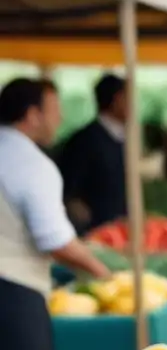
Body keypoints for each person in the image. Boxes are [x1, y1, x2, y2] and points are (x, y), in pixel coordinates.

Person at [0, 79, 111, 350]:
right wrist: (100, 270)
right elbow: (55, 240)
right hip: (14, 293)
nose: (59, 119)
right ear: (32, 115)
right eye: (54, 111)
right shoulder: (33, 165)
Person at [59, 74, 127, 232]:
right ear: (117, 100)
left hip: (122, 227)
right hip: (96, 231)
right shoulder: (84, 140)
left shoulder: (127, 138)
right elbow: (69, 187)